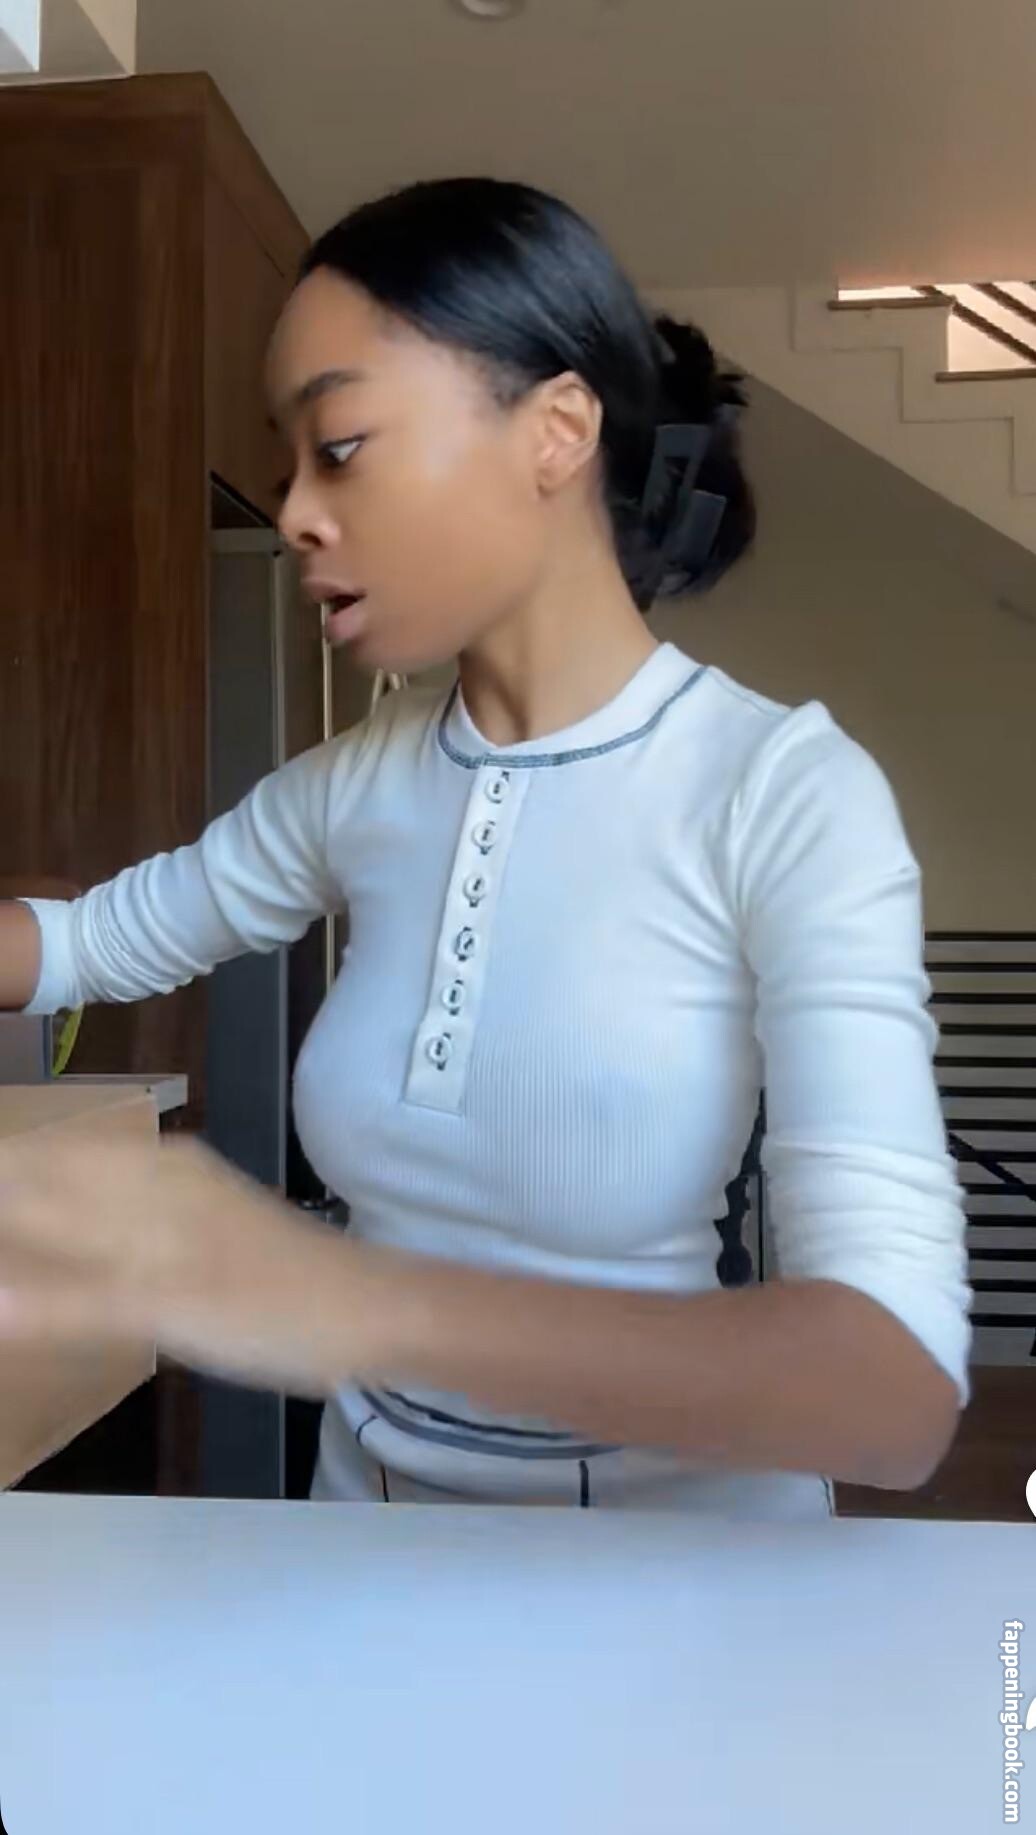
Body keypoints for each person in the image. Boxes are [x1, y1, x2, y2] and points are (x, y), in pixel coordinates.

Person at [0, 179, 970, 1516]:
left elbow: (892, 1391)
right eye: (289, 467)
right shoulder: (354, 784)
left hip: (684, 1569)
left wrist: (332, 1298)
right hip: (368, 1523)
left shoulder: (783, 790)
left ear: (556, 432)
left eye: (341, 446)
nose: (296, 513)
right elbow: (81, 945)